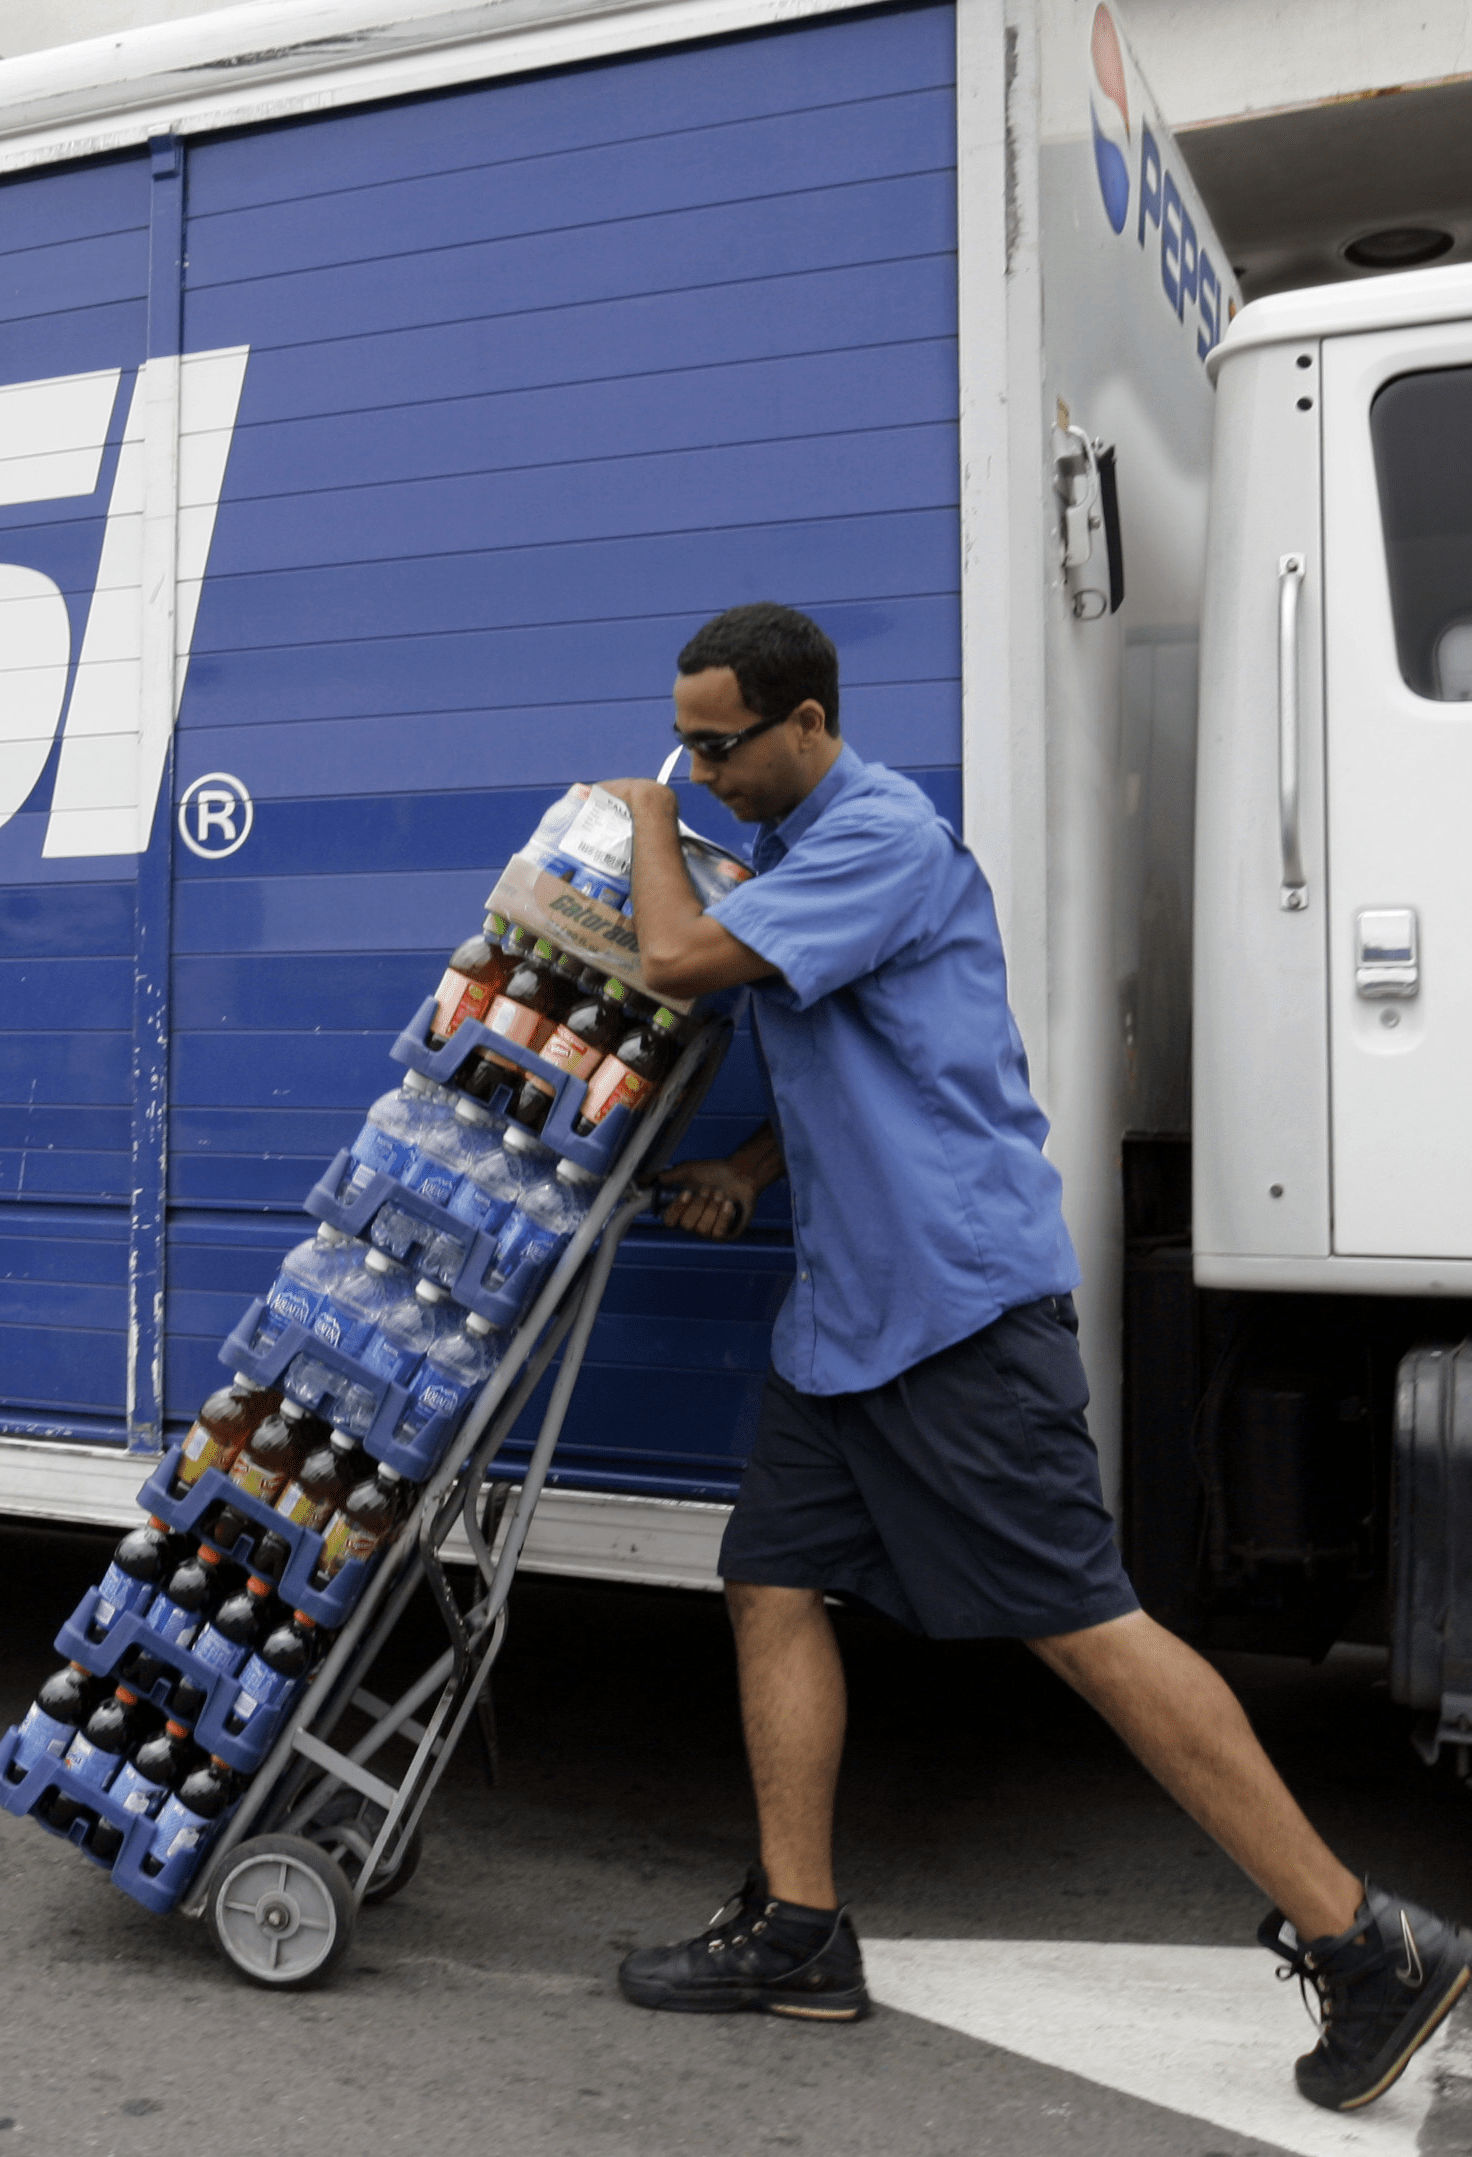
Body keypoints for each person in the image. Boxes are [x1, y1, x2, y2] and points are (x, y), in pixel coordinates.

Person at [596, 601, 1465, 2114]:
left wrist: (651, 821)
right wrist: (747, 1164)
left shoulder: (880, 837)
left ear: (807, 724)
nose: (699, 765)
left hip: (952, 1312)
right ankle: (800, 1930)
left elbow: (675, 958)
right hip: (845, 1322)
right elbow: (872, 1065)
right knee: (769, 1580)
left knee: (1082, 1625)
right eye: (684, 742)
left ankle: (1362, 1939)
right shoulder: (808, 860)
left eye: (719, 743)